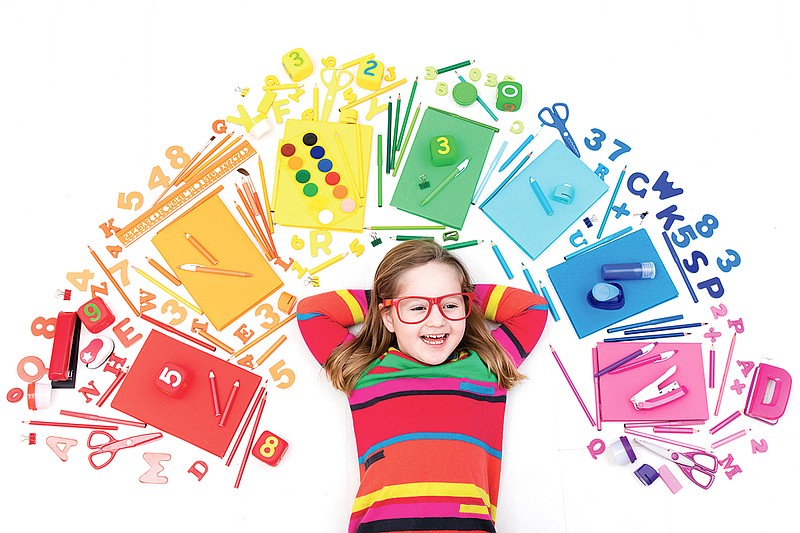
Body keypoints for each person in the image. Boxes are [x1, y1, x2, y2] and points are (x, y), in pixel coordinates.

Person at [296, 239, 548, 533]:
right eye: (417, 308)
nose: (436, 320)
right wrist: (387, 298)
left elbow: (532, 308)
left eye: (450, 305)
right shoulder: (365, 372)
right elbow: (311, 312)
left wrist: (451, 290)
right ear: (387, 316)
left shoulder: (486, 367)